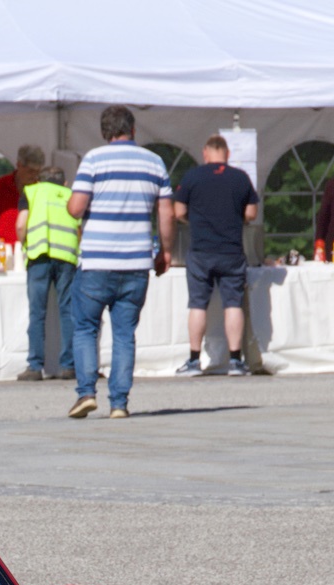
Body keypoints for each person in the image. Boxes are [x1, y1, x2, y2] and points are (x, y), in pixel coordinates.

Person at [65, 105, 173, 420]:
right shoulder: (155, 162)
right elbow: (166, 213)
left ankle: (86, 393)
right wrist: (165, 252)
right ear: (133, 130)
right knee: (125, 333)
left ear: (104, 132)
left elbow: (76, 208)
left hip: (97, 261)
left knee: (85, 328)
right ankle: (119, 403)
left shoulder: (94, 160)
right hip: (136, 262)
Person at [173, 135, 259, 377]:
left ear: (205, 153)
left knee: (197, 304)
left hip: (201, 250)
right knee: (233, 304)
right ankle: (235, 361)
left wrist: (194, 220)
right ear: (227, 154)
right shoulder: (240, 177)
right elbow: (251, 213)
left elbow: (178, 211)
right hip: (231, 250)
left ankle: (193, 361)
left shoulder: (192, 176)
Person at [16, 165, 80, 382]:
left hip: (39, 255)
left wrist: (24, 244)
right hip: (67, 257)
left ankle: (35, 367)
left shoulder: (31, 191)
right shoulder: (71, 195)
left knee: (37, 313)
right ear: (64, 182)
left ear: (39, 180)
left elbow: (21, 224)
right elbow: (80, 228)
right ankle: (68, 366)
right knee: (68, 311)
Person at [0, 145, 46, 251]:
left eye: (37, 172)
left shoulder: (40, 189)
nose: (34, 176)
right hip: (0, 251)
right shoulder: (0, 186)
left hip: (29, 251)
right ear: (19, 165)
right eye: (30, 171)